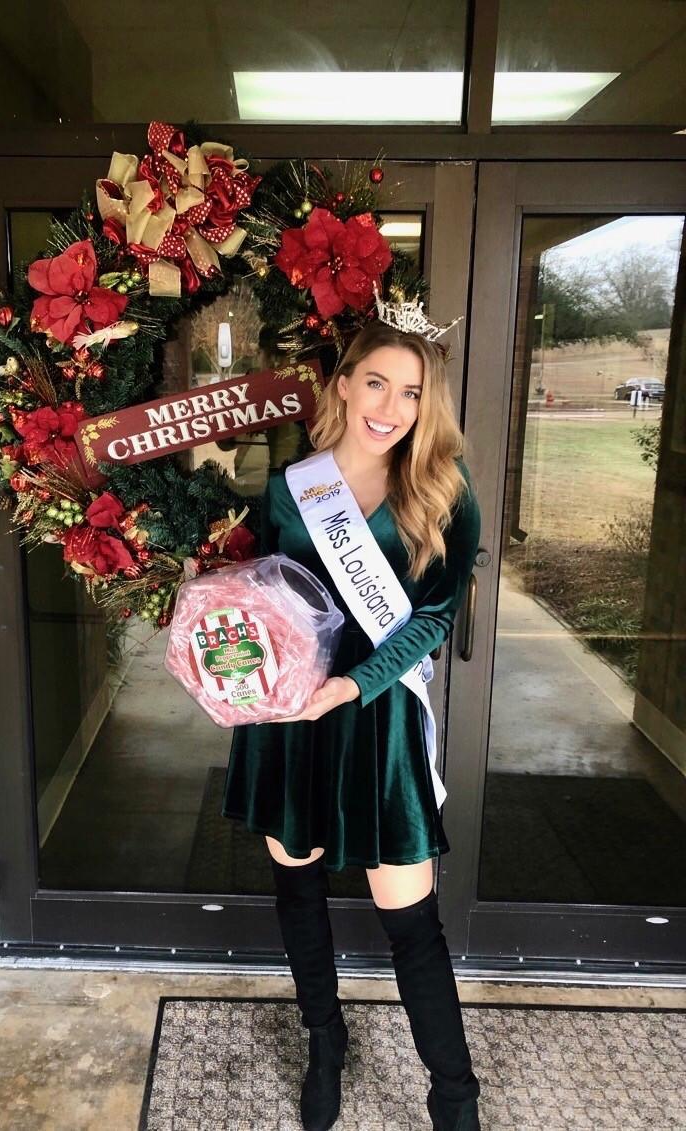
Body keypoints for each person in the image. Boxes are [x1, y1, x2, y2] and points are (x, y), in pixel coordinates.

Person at [220, 316, 483, 1131]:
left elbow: (433, 618)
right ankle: (324, 1042)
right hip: (294, 715)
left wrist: (351, 685)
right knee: (298, 885)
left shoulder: (444, 492)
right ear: (342, 382)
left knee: (413, 922)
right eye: (377, 382)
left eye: (411, 392)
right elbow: (260, 594)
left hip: (375, 715)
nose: (391, 406)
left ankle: (454, 1097)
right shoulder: (291, 485)